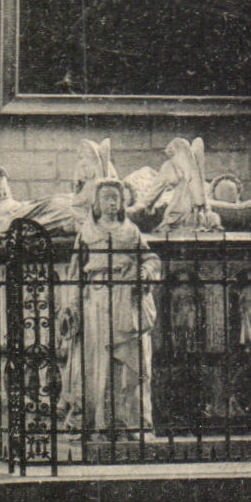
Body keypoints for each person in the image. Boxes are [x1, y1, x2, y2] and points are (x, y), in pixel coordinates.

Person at [58, 178, 159, 434]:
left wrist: (145, 272)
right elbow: (75, 271)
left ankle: (131, 422)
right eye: (107, 198)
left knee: (129, 364)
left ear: (123, 202)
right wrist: (71, 304)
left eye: (116, 197)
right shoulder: (87, 232)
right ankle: (96, 421)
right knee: (97, 360)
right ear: (97, 202)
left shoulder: (131, 231)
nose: (112, 202)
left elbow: (150, 258)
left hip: (127, 300)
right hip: (97, 300)